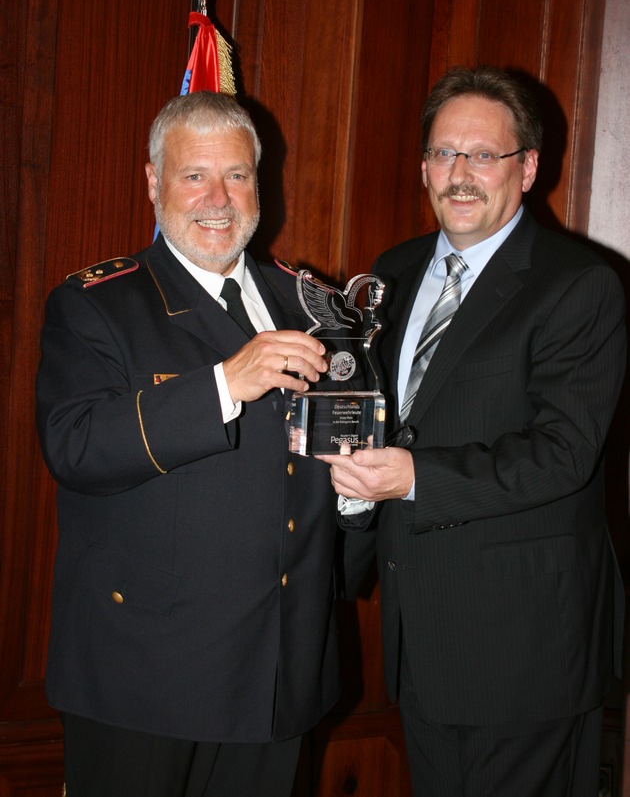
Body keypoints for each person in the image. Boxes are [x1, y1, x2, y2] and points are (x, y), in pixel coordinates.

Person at [320, 67, 626, 797]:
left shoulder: (579, 285)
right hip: (421, 639)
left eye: (483, 155)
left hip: (525, 651)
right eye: (443, 153)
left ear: (527, 168)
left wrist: (413, 476)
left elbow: (564, 453)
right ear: (424, 164)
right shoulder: (391, 273)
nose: (459, 174)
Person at [36, 91, 339, 797]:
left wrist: (355, 497)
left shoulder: (309, 302)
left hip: (276, 671)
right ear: (152, 181)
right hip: (146, 679)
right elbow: (75, 445)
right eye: (193, 175)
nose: (218, 198)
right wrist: (223, 384)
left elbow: (317, 465)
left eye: (237, 175)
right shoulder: (96, 304)